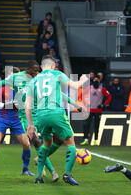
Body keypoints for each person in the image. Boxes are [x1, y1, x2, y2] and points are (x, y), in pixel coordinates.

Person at [0, 60, 83, 181]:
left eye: (38, 70)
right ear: (28, 70)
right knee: (35, 141)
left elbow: (58, 93)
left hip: (38, 113)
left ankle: (35, 164)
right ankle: (52, 171)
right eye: (35, 70)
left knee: (49, 141)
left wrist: (75, 104)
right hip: (21, 115)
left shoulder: (39, 78)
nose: (37, 73)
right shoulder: (15, 78)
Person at [25, 55, 89, 185]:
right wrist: (83, 80)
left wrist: (30, 125)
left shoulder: (34, 81)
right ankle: (67, 174)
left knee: (47, 143)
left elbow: (27, 105)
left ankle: (38, 177)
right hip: (56, 113)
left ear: (42, 67)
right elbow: (75, 86)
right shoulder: (57, 74)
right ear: (53, 66)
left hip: (41, 116)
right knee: (70, 142)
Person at [80, 75, 112, 146]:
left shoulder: (102, 89)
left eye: (97, 80)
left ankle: (95, 140)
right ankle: (86, 139)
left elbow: (109, 96)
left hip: (98, 110)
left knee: (96, 125)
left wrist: (104, 104)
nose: (95, 82)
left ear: (99, 81)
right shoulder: (89, 88)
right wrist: (85, 103)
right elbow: (82, 95)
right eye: (94, 80)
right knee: (86, 125)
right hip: (89, 110)